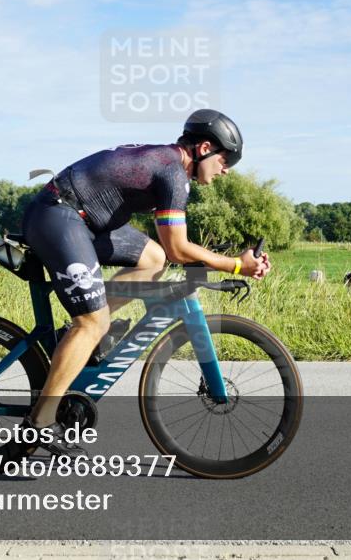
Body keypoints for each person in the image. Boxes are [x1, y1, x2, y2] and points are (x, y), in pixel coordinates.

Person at [19, 109, 271, 456]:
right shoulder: (172, 172)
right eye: (225, 160)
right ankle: (40, 423)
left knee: (153, 259)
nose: (226, 169)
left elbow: (168, 251)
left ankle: (81, 336)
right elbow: (180, 248)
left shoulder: (170, 165)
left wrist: (233, 263)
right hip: (58, 216)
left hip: (84, 220)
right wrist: (235, 266)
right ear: (204, 148)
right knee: (92, 322)